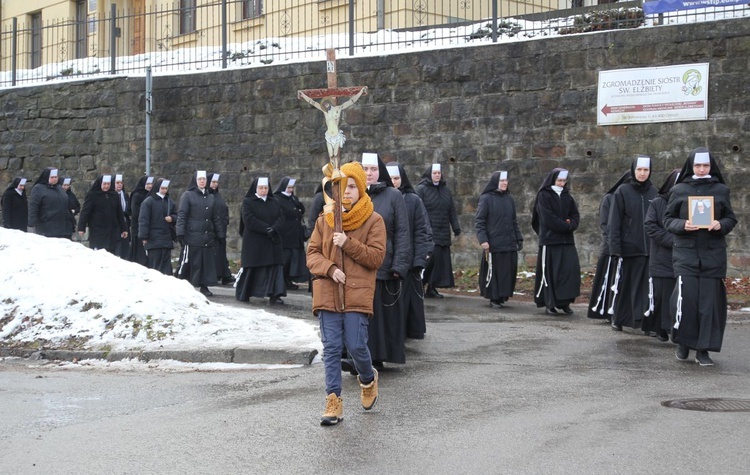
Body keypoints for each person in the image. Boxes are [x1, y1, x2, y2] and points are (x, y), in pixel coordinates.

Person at [306, 161, 386, 426]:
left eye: (352, 186)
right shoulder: (324, 219)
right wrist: (329, 269)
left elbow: (376, 257)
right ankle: (333, 401)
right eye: (342, 187)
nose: (347, 191)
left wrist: (348, 243)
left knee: (355, 345)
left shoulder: (374, 220)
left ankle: (367, 378)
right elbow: (312, 254)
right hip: (328, 291)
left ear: (361, 188)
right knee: (330, 349)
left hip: (356, 294)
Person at [664, 148, 737, 366]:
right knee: (686, 303)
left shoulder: (721, 190)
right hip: (686, 255)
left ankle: (703, 349)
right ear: (691, 166)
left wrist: (720, 224)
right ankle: (684, 343)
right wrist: (683, 224)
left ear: (711, 167)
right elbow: (667, 220)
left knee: (708, 306)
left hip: (712, 257)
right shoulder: (679, 190)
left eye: (705, 166)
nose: (702, 169)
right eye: (698, 166)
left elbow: (731, 219)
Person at [361, 153, 411, 368]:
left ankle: (378, 356)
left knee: (382, 316)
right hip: (359, 265)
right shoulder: (355, 193)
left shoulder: (393, 195)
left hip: (385, 264)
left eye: (373, 169)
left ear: (380, 170)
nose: (369, 174)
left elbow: (402, 231)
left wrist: (400, 264)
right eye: (365, 169)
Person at [608, 155, 658, 333]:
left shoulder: (654, 193)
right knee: (625, 285)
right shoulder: (623, 191)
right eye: (639, 170)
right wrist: (615, 248)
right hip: (628, 248)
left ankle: (645, 323)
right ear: (633, 170)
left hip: (649, 250)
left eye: (646, 170)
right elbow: (614, 221)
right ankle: (618, 318)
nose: (642, 173)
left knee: (647, 289)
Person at [387, 163, 433, 339]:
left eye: (397, 178)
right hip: (389, 258)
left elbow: (422, 230)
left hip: (410, 258)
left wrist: (420, 258)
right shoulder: (383, 198)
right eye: (390, 178)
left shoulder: (413, 200)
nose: (393, 182)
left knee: (409, 299)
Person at [531, 168, 581, 315]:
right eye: (559, 180)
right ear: (553, 179)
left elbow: (575, 215)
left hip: (567, 241)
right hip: (550, 240)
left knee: (569, 273)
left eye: (564, 181)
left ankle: (565, 302)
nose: (561, 183)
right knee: (551, 273)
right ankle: (550, 303)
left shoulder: (567, 197)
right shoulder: (544, 196)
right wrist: (566, 225)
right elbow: (547, 219)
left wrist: (571, 224)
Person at [475, 171, 523, 309]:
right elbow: (480, 221)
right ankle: (494, 297)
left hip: (508, 242)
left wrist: (518, 237)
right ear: (496, 182)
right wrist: (483, 239)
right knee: (495, 271)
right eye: (502, 181)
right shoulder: (486, 198)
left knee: (507, 271)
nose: (504, 183)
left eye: (506, 181)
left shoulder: (509, 199)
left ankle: (502, 295)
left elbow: (514, 221)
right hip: (494, 243)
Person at [235, 176, 287, 305]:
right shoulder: (248, 202)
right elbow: (248, 219)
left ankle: (275, 294)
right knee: (253, 268)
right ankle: (245, 292)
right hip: (255, 241)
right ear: (255, 189)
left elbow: (281, 217)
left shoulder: (274, 201)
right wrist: (266, 229)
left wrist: (274, 229)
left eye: (265, 188)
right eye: (261, 188)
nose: (263, 190)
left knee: (275, 267)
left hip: (272, 240)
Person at [587, 172, 631, 321]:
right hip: (611, 246)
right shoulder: (609, 198)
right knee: (609, 280)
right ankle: (604, 310)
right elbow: (606, 224)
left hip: (628, 246)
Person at [644, 169, 681, 342]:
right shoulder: (658, 202)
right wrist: (672, 240)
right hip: (662, 256)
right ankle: (660, 327)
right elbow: (650, 226)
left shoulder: (688, 202)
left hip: (682, 258)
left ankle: (676, 328)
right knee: (661, 296)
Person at [416, 163, 461, 298]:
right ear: (430, 174)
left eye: (439, 173)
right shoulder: (421, 189)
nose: (437, 175)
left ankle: (432, 287)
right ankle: (419, 285)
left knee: (440, 262)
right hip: (429, 231)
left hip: (443, 232)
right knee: (429, 260)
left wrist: (456, 227)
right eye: (434, 173)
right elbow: (418, 210)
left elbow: (451, 210)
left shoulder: (445, 190)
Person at [176, 170, 224, 296]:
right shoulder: (187, 195)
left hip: (207, 236)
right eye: (200, 179)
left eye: (204, 179)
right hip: (192, 235)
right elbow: (182, 215)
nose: (202, 181)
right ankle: (184, 285)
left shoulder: (210, 197)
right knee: (190, 263)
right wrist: (180, 232)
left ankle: (204, 285)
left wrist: (220, 233)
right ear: (195, 181)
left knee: (206, 263)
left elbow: (215, 218)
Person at [298, 86, 367, 158]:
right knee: (331, 155)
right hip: (329, 135)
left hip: (336, 135)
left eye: (327, 103)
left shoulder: (338, 108)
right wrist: (303, 95)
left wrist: (361, 92)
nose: (326, 105)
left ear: (330, 102)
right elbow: (313, 102)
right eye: (325, 104)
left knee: (335, 154)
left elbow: (351, 101)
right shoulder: (325, 111)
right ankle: (331, 168)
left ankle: (336, 168)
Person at [273, 176, 310, 290]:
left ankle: (288, 279)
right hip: (285, 235)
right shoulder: (277, 198)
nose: (290, 190)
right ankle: (282, 280)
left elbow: (300, 211)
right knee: (285, 259)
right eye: (288, 187)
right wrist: (296, 210)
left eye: (292, 187)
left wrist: (299, 208)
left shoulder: (293, 198)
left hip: (295, 235)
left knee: (293, 260)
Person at [77, 175, 129, 253]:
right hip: (97, 230)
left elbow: (119, 213)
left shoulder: (114, 195)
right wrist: (81, 227)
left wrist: (124, 229)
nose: (106, 186)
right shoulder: (92, 195)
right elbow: (85, 212)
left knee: (111, 251)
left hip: (111, 230)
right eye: (104, 184)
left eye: (108, 184)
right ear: (100, 183)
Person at [139, 178, 177, 276]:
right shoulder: (148, 202)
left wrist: (172, 218)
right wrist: (144, 237)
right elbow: (144, 220)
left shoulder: (169, 201)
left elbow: (177, 215)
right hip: (153, 239)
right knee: (155, 267)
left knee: (166, 266)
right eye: (162, 188)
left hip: (166, 238)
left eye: (166, 188)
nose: (164, 190)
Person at [28, 167, 72, 239]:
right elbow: (34, 206)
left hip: (63, 227)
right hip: (47, 226)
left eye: (56, 177)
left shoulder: (59, 188)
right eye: (52, 177)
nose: (55, 179)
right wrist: (32, 223)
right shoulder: (38, 188)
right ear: (47, 177)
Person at [208, 173, 235, 285]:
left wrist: (226, 220)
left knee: (221, 252)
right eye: (213, 182)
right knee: (214, 253)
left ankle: (224, 274)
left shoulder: (218, 195)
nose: (215, 185)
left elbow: (224, 209)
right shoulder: (207, 196)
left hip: (221, 228)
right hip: (212, 230)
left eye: (216, 182)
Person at [129, 176, 154, 266]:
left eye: (151, 184)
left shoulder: (151, 195)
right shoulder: (137, 195)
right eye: (147, 184)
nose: (150, 186)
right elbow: (135, 212)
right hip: (138, 227)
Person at [113, 174, 131, 260]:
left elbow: (129, 209)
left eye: (121, 183)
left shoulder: (125, 195)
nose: (119, 184)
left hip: (124, 222)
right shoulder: (112, 195)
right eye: (117, 183)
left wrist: (125, 212)